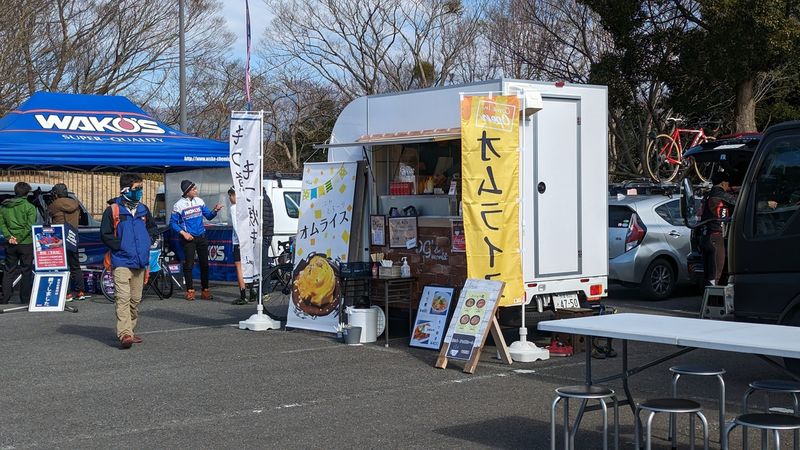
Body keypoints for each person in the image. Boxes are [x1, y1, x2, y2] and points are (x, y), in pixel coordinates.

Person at [101, 173, 158, 349]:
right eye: (136, 188)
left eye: (141, 188)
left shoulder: (143, 209)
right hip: (121, 261)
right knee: (123, 298)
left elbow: (152, 228)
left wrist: (149, 241)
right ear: (125, 189)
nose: (139, 191)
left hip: (140, 261)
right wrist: (121, 246)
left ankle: (130, 330)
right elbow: (105, 234)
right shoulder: (113, 210)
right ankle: (125, 333)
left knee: (135, 299)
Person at [170, 179, 222, 301]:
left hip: (202, 236)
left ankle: (205, 290)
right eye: (194, 189)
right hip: (189, 238)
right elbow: (172, 223)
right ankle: (190, 290)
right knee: (189, 265)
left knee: (205, 265)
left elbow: (208, 216)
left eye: (196, 188)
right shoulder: (178, 205)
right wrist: (183, 233)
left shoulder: (199, 201)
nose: (196, 191)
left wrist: (215, 210)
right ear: (187, 191)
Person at [0, 182, 37, 305]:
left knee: (9, 270)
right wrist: (20, 238)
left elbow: (2, 224)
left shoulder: (4, 207)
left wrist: (9, 236)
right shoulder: (30, 207)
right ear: (27, 193)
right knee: (26, 270)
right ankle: (25, 298)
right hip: (26, 243)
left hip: (10, 243)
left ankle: (5, 298)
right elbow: (29, 226)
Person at [48, 183, 85, 301]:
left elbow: (48, 213)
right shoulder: (75, 203)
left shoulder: (54, 204)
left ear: (56, 194)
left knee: (62, 266)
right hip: (73, 236)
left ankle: (67, 293)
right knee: (75, 266)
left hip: (59, 237)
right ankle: (80, 292)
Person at [700, 171, 737, 285]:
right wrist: (766, 204)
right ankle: (711, 301)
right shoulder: (721, 195)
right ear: (723, 183)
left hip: (705, 237)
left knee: (708, 274)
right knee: (715, 275)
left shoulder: (708, 195)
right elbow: (740, 203)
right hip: (716, 238)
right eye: (727, 184)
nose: (728, 186)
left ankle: (705, 299)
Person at [228, 187, 248, 305]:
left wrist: (241, 240)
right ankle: (253, 292)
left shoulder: (234, 208)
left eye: (231, 196)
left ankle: (243, 294)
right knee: (248, 266)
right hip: (249, 240)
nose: (230, 198)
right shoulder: (247, 205)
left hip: (239, 242)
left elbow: (236, 226)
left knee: (239, 267)